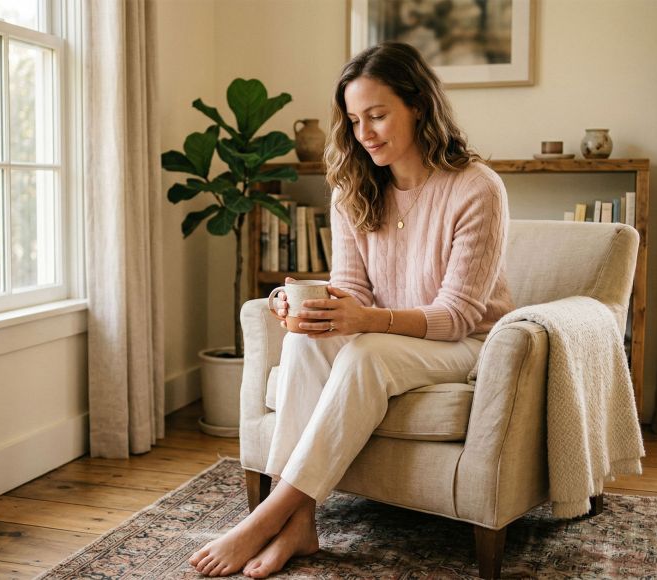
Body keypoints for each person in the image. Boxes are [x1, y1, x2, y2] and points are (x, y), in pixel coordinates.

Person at [189, 41, 514, 578]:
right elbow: (350, 293)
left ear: (418, 106)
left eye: (379, 115)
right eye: (355, 119)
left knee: (363, 355)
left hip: (465, 344)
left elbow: (456, 315)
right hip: (386, 337)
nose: (365, 133)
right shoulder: (352, 188)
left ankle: (266, 516)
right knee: (305, 341)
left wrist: (365, 321)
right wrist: (302, 308)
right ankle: (301, 525)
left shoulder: (476, 187)